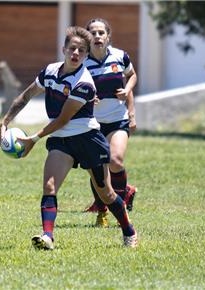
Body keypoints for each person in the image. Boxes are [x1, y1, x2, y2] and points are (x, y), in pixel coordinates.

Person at [0, 26, 137, 250]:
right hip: (62, 141)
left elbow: (63, 119)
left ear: (86, 55)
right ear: (63, 49)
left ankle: (129, 231)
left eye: (82, 51)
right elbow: (26, 96)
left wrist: (34, 138)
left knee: (107, 193)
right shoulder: (50, 71)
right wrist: (5, 121)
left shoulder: (84, 82)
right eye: (72, 48)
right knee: (49, 186)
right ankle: (47, 237)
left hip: (88, 139)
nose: (76, 53)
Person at [83, 18, 138, 227]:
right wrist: (87, 98)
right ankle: (102, 211)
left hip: (117, 119)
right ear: (88, 38)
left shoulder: (119, 56)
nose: (97, 37)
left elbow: (131, 75)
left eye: (101, 33)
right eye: (93, 33)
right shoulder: (81, 61)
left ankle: (121, 203)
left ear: (108, 36)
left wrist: (130, 107)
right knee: (97, 166)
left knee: (115, 161)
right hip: (92, 122)